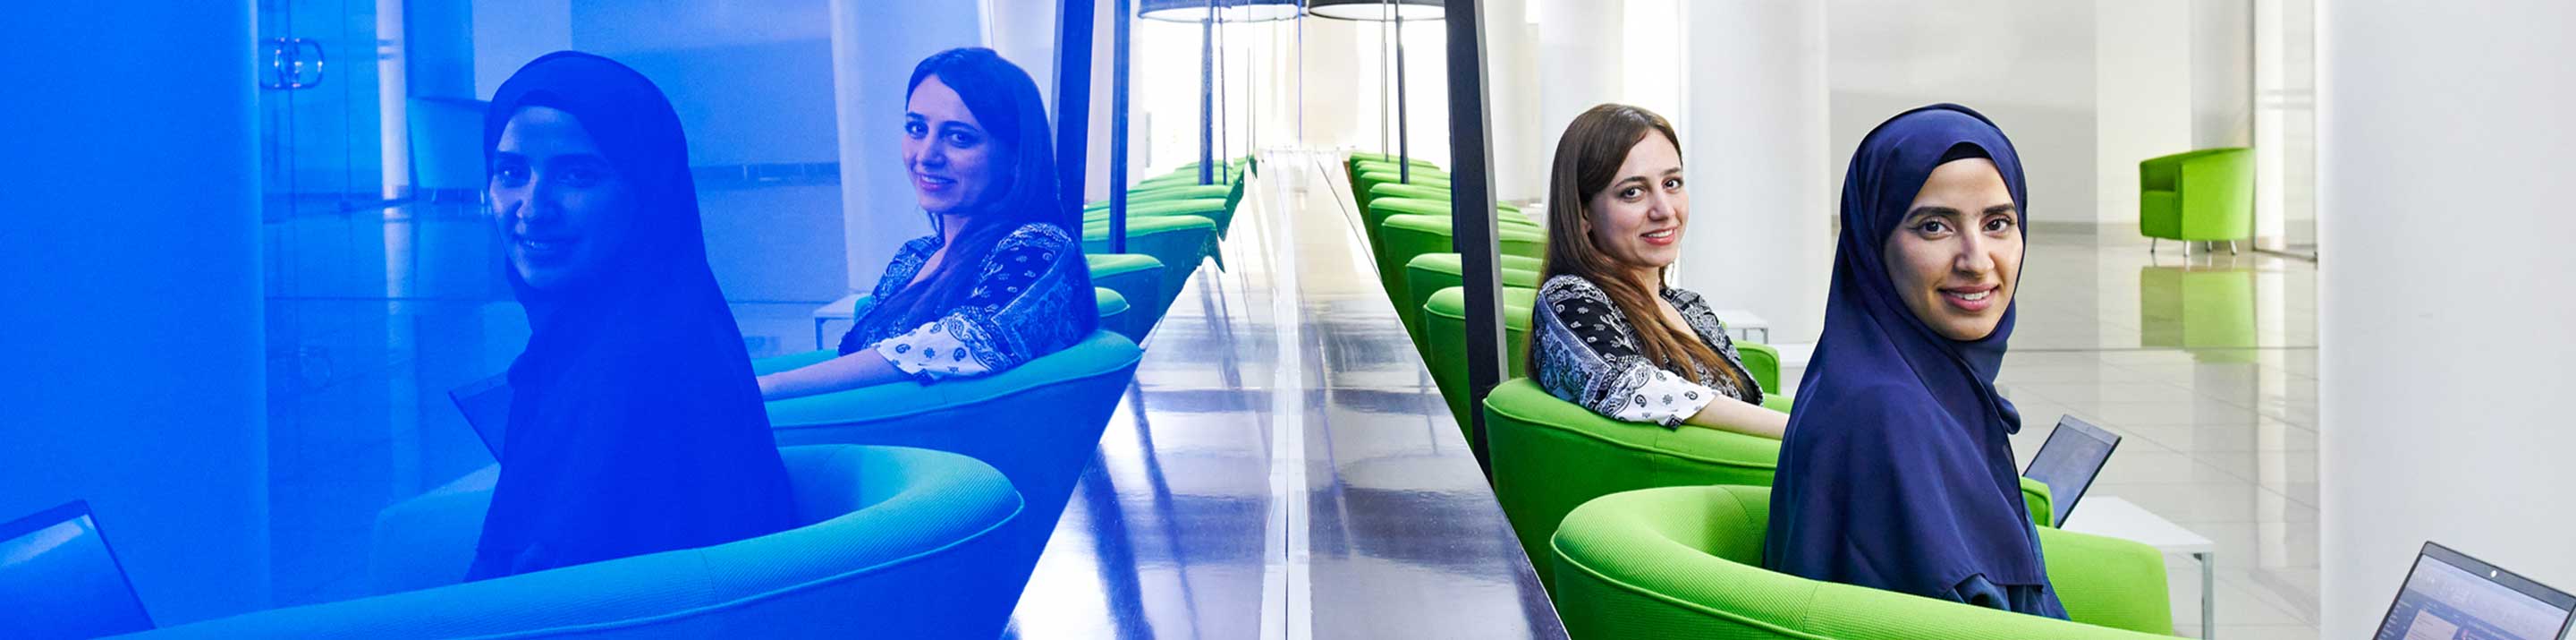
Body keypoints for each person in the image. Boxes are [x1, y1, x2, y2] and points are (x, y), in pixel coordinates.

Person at [470, 51, 794, 581]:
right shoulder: (604, 335)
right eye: (511, 171)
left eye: (577, 174)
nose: (533, 207)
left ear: (646, 193)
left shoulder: (638, 369)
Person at [1762, 104, 2065, 618]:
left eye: (1997, 223)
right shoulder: (1886, 414)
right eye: (1933, 227)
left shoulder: (1906, 378)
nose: (1976, 261)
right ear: (1872, 242)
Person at [758, 47, 1095, 400]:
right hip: (862, 438)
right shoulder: (915, 255)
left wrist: (769, 388)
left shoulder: (1037, 246)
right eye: (916, 129)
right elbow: (857, 358)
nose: (926, 156)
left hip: (939, 452)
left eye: (959, 137)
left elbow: (968, 340)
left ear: (1015, 156)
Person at [1526, 104, 1788, 439]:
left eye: (1672, 183)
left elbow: (1748, 409)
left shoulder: (1688, 306)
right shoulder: (1570, 298)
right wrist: (1804, 433)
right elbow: (1633, 387)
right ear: (1583, 213)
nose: (1664, 211)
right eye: (1632, 192)